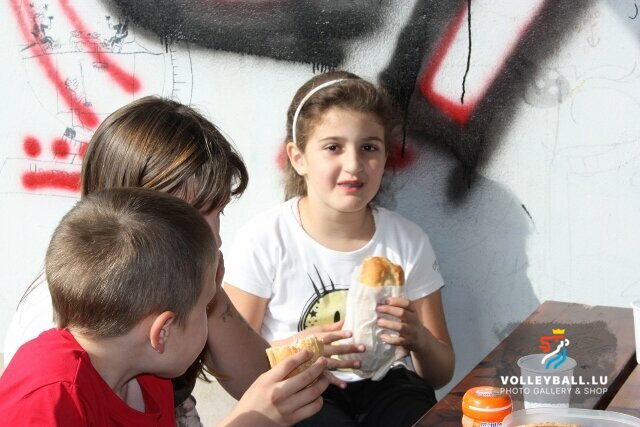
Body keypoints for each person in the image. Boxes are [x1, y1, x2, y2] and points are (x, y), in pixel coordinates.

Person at [3, 96, 346, 425]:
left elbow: (256, 375)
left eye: (218, 212)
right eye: (192, 218)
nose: (215, 238)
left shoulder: (174, 276)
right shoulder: (56, 348)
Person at [224, 71, 455, 426]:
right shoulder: (265, 239)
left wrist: (418, 338)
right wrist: (298, 347)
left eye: (369, 147)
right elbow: (234, 363)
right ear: (298, 157)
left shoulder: (407, 241)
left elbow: (440, 372)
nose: (354, 165)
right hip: (303, 387)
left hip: (390, 385)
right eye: (333, 147)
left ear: (385, 155)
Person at [0, 188, 330, 425]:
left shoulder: (149, 375)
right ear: (163, 332)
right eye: (205, 307)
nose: (209, 317)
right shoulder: (46, 399)